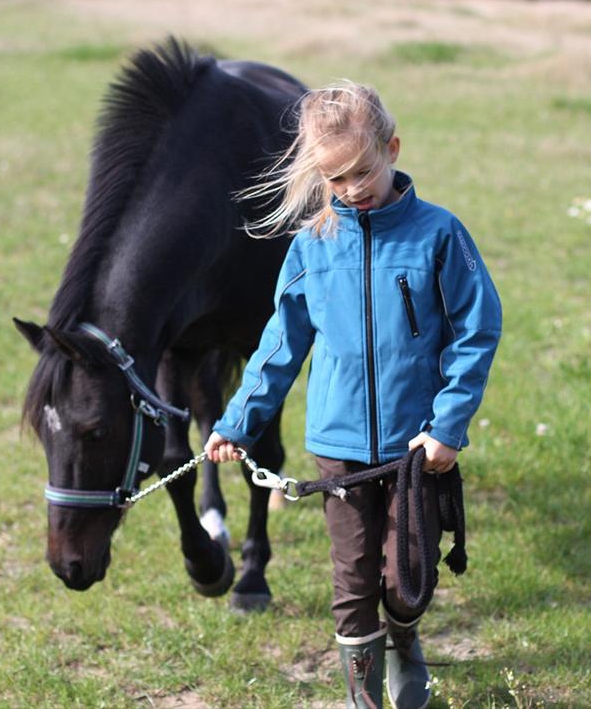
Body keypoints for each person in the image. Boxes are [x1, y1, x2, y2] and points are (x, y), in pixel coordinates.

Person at [204, 81, 501, 708]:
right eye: (334, 180)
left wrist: (448, 426)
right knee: (352, 577)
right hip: (337, 446)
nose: (351, 189)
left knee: (406, 578)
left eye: (362, 171)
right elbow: (279, 347)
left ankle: (404, 637)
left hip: (416, 448)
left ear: (391, 148)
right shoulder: (313, 246)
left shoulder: (439, 235)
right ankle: (363, 696)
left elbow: (478, 330)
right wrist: (237, 423)